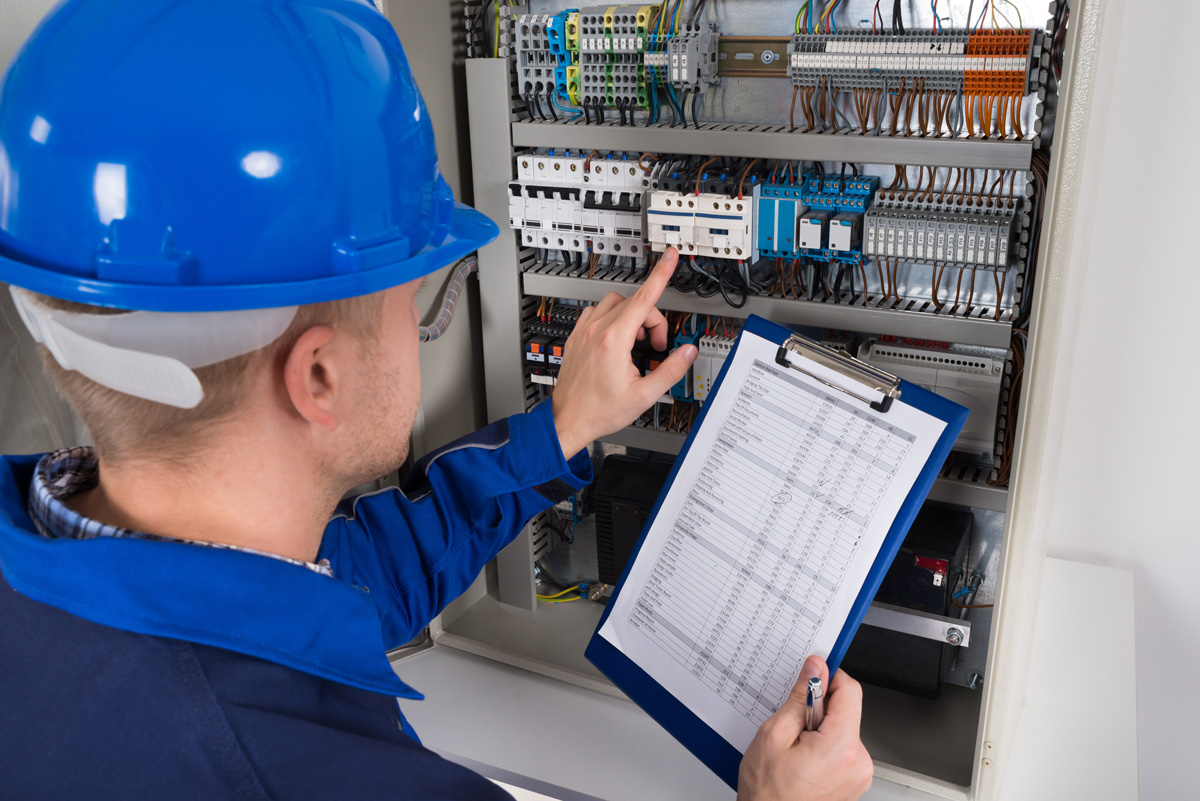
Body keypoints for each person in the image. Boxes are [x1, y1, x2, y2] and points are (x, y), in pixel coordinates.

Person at [0, 1, 873, 799]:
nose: (421, 324)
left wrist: (563, 427)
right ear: (319, 377)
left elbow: (338, 581)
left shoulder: (75, 573)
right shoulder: (315, 775)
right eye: (407, 297)